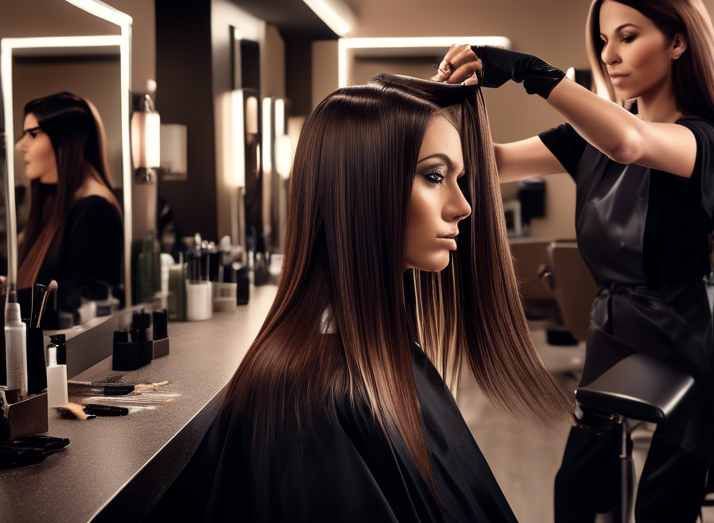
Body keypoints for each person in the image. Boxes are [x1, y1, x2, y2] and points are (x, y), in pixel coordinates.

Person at [147, 74, 569, 522]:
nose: (463, 205)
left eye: (458, 179)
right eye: (434, 176)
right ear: (362, 186)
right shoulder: (314, 399)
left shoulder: (380, 356)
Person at [436, 0, 714, 523]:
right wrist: (447, 103)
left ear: (679, 42)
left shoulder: (702, 141)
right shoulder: (588, 139)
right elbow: (490, 163)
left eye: (629, 37)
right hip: (619, 330)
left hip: (700, 340)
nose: (609, 54)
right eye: (603, 40)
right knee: (581, 493)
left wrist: (528, 71)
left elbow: (630, 142)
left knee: (668, 504)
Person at [16, 92, 123, 321]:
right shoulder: (58, 203)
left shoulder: (94, 210)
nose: (20, 145)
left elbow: (83, 308)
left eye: (33, 134)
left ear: (66, 139)